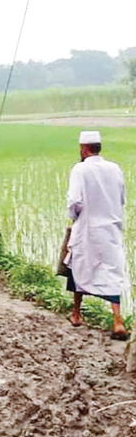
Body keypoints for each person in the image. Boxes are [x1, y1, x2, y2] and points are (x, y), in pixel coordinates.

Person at [65, 130, 129, 340]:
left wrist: (74, 218)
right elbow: (121, 198)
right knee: (111, 272)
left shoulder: (80, 169)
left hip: (88, 229)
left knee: (79, 266)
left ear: (83, 148)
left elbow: (75, 201)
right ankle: (117, 320)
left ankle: (76, 314)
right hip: (110, 228)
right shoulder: (115, 168)